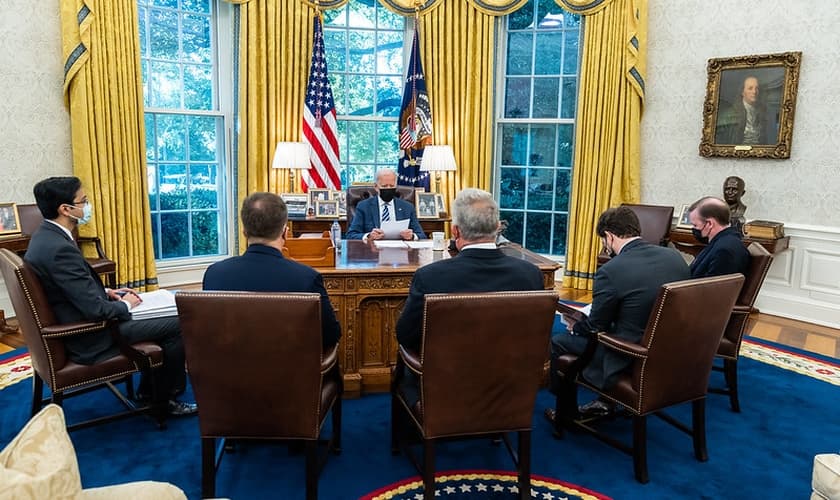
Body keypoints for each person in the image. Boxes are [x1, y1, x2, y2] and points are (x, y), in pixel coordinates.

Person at [24, 177, 196, 416]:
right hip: (90, 336)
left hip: (76, 317)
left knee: (163, 316)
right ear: (65, 209)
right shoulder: (58, 248)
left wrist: (105, 292)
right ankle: (164, 400)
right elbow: (97, 312)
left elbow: (64, 287)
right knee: (179, 323)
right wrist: (126, 304)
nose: (87, 206)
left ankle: (151, 390)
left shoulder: (45, 237)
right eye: (83, 201)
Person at [394, 188, 544, 404]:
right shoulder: (530, 274)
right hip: (507, 386)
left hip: (446, 387)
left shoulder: (431, 276)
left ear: (455, 232)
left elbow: (406, 335)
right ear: (496, 227)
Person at [547, 206, 690, 420]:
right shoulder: (674, 258)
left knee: (558, 341)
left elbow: (595, 328)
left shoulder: (611, 270)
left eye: (604, 241)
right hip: (671, 352)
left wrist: (575, 325)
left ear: (609, 236)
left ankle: (565, 413)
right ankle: (606, 401)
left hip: (630, 355)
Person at [203, 192, 340, 351]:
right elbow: (331, 335)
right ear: (285, 232)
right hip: (289, 373)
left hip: (229, 372)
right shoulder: (307, 278)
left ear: (244, 232)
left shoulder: (214, 274)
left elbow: (210, 333)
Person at [345, 168, 425, 242]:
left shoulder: (407, 207)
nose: (388, 188)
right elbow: (351, 235)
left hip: (400, 252)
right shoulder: (364, 206)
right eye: (384, 186)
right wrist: (369, 236)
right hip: (373, 253)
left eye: (391, 186)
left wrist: (412, 236)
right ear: (376, 187)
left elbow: (421, 235)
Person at [687, 196, 750, 279]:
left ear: (709, 224)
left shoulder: (724, 251)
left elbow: (714, 289)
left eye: (695, 225)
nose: (694, 229)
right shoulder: (725, 240)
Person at [715, 75, 769, 145]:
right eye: (750, 88)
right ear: (742, 92)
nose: (754, 92)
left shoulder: (762, 112)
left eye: (757, 88)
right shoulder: (730, 113)